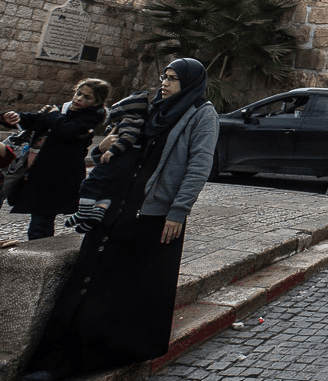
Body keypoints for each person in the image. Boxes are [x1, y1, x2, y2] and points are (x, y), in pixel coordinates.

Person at [22, 58, 218, 380]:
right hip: (117, 203)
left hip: (155, 212)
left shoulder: (201, 114)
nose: (164, 83)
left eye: (172, 79)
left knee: (128, 286)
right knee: (90, 277)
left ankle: (115, 351)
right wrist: (103, 147)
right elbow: (117, 151)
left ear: (190, 83)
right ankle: (60, 357)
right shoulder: (151, 109)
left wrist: (178, 211)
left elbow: (199, 165)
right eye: (164, 77)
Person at [2, 78, 110, 240]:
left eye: (87, 97)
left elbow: (66, 130)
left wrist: (53, 115)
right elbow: (35, 119)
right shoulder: (62, 110)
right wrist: (11, 117)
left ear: (97, 102)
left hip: (59, 179)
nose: (79, 99)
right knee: (38, 220)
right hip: (40, 175)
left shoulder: (90, 118)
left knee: (41, 223)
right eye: (78, 94)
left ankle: (40, 258)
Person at [63, 85, 147, 233]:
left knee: (90, 183)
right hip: (123, 167)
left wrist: (112, 150)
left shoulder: (131, 120)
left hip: (117, 161)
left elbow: (127, 138)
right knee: (106, 190)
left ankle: (83, 213)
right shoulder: (135, 122)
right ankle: (96, 215)